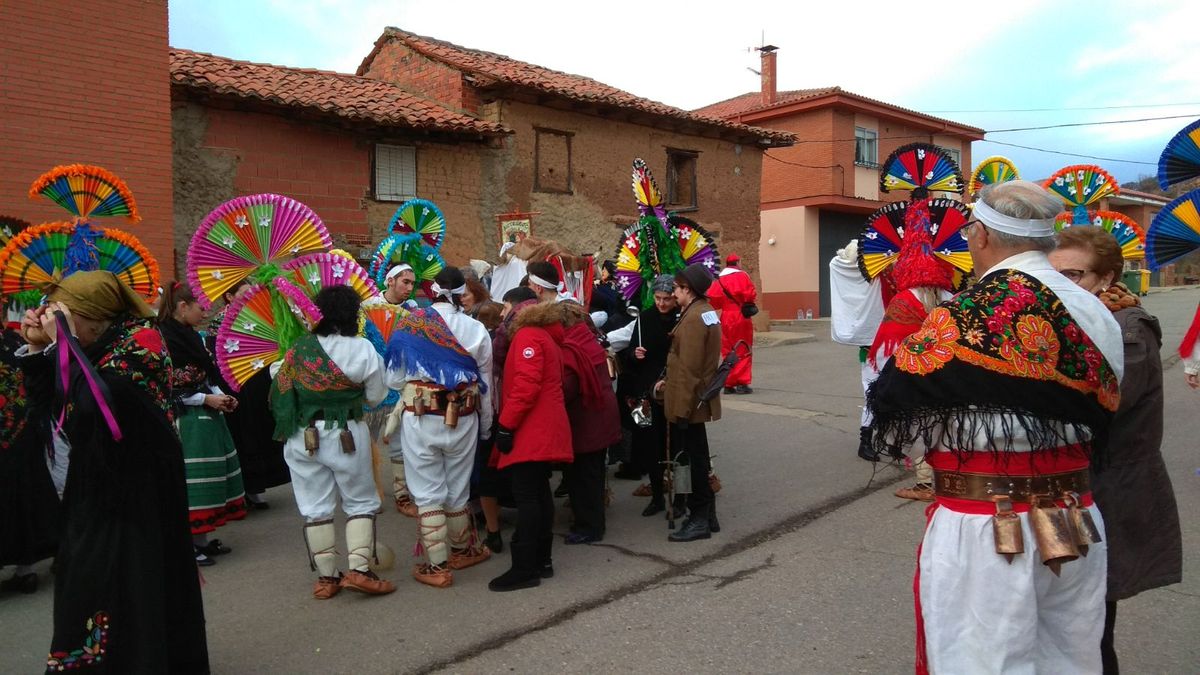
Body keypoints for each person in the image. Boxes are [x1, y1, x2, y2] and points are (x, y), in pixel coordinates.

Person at [868, 181, 1124, 673]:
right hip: (1077, 517)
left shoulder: (960, 317)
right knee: (1071, 655)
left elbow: (904, 428)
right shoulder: (1098, 311)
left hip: (984, 523)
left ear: (980, 234)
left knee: (982, 658)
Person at [20, 271, 209, 673]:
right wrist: (39, 351)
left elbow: (98, 408)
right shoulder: (101, 343)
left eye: (65, 315)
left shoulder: (142, 343)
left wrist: (63, 347)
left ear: (93, 316)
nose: (58, 323)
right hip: (96, 487)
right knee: (87, 581)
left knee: (130, 584)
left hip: (138, 492)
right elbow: (50, 405)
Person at [1050, 227, 1182, 674]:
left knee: (1090, 627)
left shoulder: (1129, 329)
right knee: (1067, 621)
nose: (1061, 286)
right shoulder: (1072, 320)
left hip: (1110, 491)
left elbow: (1103, 406)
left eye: (1073, 274)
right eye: (1051, 276)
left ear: (1106, 278)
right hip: (1080, 489)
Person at [270, 285, 395, 599]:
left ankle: (326, 579)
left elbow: (280, 389)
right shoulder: (362, 348)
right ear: (353, 314)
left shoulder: (298, 349)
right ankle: (360, 570)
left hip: (303, 437)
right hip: (346, 433)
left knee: (315, 507)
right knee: (361, 500)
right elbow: (376, 396)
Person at [383, 267, 494, 588]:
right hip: (465, 416)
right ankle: (462, 549)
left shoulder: (411, 326)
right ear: (462, 294)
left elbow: (393, 379)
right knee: (457, 488)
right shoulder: (475, 329)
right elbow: (486, 383)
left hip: (420, 416)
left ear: (432, 291)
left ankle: (437, 566)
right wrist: (485, 426)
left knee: (427, 491)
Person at [158, 281, 247, 567]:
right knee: (191, 482)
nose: (204, 313)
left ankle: (201, 540)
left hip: (205, 416)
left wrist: (221, 396)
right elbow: (167, 385)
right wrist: (204, 400)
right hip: (185, 419)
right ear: (182, 306)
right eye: (200, 308)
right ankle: (187, 544)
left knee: (211, 476)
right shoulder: (163, 339)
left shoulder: (189, 335)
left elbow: (205, 373)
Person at [489, 298, 574, 591]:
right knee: (538, 493)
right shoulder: (548, 337)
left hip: (533, 426)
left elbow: (526, 385)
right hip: (546, 424)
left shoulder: (528, 336)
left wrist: (506, 425)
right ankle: (542, 560)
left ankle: (524, 567)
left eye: (505, 308)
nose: (502, 313)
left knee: (527, 495)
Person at [207, 281, 289, 511]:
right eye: (243, 294)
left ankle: (256, 488)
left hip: (259, 383)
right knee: (241, 436)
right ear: (229, 297)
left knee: (261, 432)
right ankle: (241, 489)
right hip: (234, 385)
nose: (249, 297)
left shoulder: (257, 315)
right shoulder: (218, 322)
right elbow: (218, 358)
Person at [655, 263, 722, 542]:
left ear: (687, 290)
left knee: (693, 462)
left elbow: (690, 369)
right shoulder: (702, 312)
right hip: (696, 398)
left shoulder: (695, 317)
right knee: (699, 458)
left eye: (677, 288)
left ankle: (699, 519)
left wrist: (680, 408)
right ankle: (708, 515)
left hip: (690, 400)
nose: (673, 292)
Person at [609, 274, 682, 516]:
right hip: (646, 392)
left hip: (673, 389)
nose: (662, 303)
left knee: (679, 447)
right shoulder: (645, 318)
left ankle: (681, 499)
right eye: (659, 298)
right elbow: (629, 351)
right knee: (651, 446)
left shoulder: (682, 319)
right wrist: (634, 354)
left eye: (667, 299)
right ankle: (657, 496)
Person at [0, 325, 59, 595]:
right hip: (25, 429)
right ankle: (26, 571)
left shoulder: (15, 340)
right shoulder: (14, 341)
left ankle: (24, 571)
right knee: (26, 495)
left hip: (15, 431)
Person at [380, 263, 419, 514]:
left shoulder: (413, 310)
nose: (409, 288)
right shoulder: (369, 306)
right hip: (374, 381)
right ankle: (365, 494)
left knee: (399, 441)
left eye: (412, 283)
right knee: (370, 441)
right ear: (391, 281)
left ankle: (402, 494)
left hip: (402, 381)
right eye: (405, 282)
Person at [708, 253, 756, 395]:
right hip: (740, 316)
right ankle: (741, 382)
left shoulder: (720, 280)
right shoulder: (743, 276)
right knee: (743, 347)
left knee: (728, 349)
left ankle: (728, 383)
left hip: (725, 316)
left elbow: (713, 300)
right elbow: (751, 295)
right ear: (738, 262)